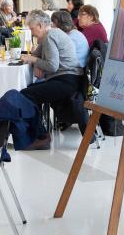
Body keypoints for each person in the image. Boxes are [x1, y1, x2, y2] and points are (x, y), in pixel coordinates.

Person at [19, 11, 83, 149]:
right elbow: (36, 55)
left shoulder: (50, 37)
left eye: (32, 28)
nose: (31, 32)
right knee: (29, 90)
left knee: (26, 94)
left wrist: (34, 60)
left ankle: (42, 137)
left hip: (66, 80)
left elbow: (52, 66)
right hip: (68, 78)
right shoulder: (51, 34)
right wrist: (36, 61)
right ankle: (39, 134)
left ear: (41, 25)